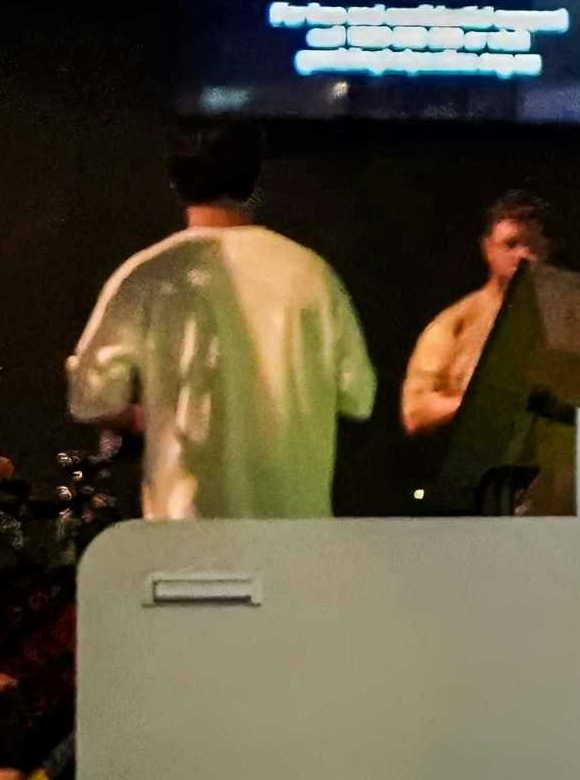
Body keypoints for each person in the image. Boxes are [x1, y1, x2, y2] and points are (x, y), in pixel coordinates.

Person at [64, 120, 374, 521]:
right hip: (296, 532)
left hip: (186, 535)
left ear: (175, 181)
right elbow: (358, 397)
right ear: (256, 177)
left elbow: (90, 399)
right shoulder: (311, 275)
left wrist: (152, 417)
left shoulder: (147, 275)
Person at [398, 192, 580, 440]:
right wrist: (481, 401)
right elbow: (414, 411)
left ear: (546, 249)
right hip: (486, 457)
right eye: (511, 244)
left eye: (533, 245)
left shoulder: (569, 306)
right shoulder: (457, 321)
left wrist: (579, 329)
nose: (523, 255)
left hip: (555, 455)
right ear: (488, 249)